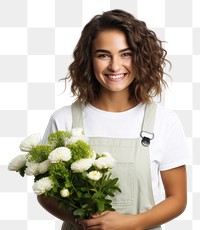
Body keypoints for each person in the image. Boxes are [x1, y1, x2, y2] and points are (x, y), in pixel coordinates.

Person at [37, 9, 190, 230]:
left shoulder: (164, 121)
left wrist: (131, 223)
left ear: (140, 58)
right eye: (103, 55)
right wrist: (83, 221)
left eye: (125, 54)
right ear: (88, 59)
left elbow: (177, 199)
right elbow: (45, 193)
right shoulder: (64, 119)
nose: (115, 66)